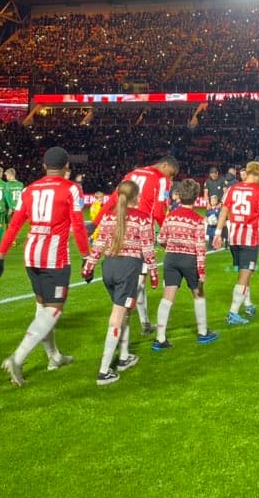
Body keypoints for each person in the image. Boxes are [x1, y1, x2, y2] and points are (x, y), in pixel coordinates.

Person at [0, 147, 91, 385]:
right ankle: (18, 357)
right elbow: (78, 225)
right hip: (54, 257)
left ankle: (54, 356)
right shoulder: (71, 189)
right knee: (53, 310)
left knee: (43, 308)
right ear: (67, 167)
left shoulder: (29, 189)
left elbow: (14, 225)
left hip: (31, 255)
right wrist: (87, 257)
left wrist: (0, 256)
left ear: (44, 167)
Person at [93, 156, 180, 335]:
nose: (171, 179)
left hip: (120, 231)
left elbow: (112, 202)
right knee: (137, 283)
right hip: (141, 234)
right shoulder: (161, 179)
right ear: (164, 166)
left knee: (137, 282)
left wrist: (95, 223)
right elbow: (158, 211)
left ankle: (144, 323)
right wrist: (168, 232)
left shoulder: (131, 174)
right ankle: (121, 339)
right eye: (171, 174)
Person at [84, 180, 156, 386]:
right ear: (137, 197)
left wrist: (89, 266)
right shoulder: (142, 218)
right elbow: (148, 248)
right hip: (128, 269)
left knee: (125, 311)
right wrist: (152, 272)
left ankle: (124, 357)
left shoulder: (108, 216)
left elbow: (98, 245)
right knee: (117, 316)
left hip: (109, 267)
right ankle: (104, 371)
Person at [153, 179, 218, 350]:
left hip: (171, 259)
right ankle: (203, 333)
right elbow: (200, 247)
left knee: (167, 297)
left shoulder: (171, 216)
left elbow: (160, 239)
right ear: (196, 198)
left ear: (179, 196)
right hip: (190, 260)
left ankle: (160, 339)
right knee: (199, 295)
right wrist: (201, 270)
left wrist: (171, 246)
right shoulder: (197, 220)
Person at [212, 161, 259, 325]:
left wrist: (217, 233)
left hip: (233, 238)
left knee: (245, 273)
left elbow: (224, 210)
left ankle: (248, 303)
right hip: (248, 239)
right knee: (245, 274)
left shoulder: (232, 188)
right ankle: (233, 313)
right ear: (258, 174)